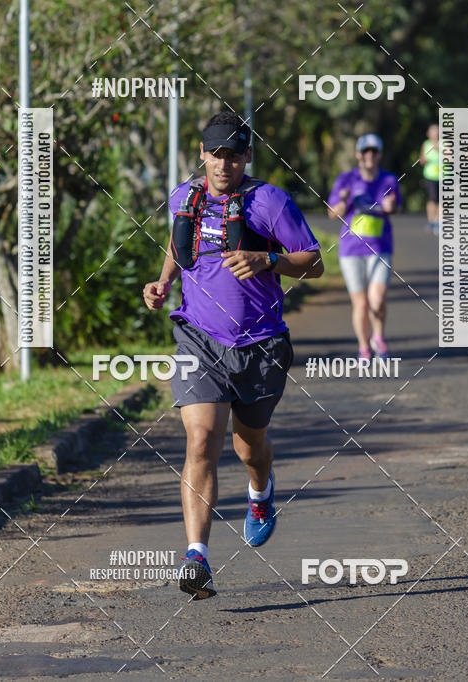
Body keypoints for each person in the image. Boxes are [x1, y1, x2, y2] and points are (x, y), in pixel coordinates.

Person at [143, 111, 323, 600]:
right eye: (217, 154)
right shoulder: (185, 198)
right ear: (202, 154)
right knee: (201, 439)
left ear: (248, 156)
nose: (224, 164)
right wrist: (163, 281)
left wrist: (268, 259)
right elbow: (179, 243)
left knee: (249, 448)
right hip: (198, 338)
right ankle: (196, 557)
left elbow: (314, 262)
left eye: (235, 155)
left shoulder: (269, 201)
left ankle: (260, 492)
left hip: (261, 346)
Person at [327, 133, 402, 363]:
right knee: (360, 303)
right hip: (351, 250)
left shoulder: (389, 180)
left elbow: (397, 207)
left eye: (374, 151)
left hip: (380, 248)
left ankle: (378, 336)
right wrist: (343, 201)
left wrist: (391, 207)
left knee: (377, 300)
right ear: (358, 154)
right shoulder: (346, 179)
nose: (370, 155)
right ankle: (364, 347)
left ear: (379, 155)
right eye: (365, 151)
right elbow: (332, 213)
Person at [419, 124, 440, 234]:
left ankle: (439, 221)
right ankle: (431, 221)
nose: (435, 133)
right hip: (430, 175)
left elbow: (451, 158)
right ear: (428, 134)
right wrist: (423, 160)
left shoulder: (445, 144)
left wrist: (439, 150)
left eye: (437, 131)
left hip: (443, 175)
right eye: (433, 131)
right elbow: (421, 160)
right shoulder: (426, 144)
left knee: (441, 200)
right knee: (432, 197)